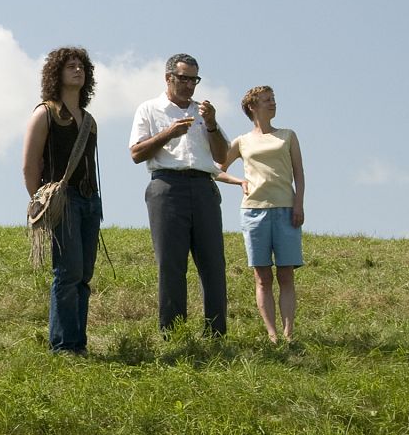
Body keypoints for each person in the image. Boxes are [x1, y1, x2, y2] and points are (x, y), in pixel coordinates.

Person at [128, 53, 230, 336]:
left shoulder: (203, 112)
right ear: (168, 77)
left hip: (204, 187)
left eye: (193, 79)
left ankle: (216, 333)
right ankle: (173, 333)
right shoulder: (149, 109)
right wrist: (168, 134)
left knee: (213, 263)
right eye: (183, 78)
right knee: (171, 263)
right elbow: (136, 153)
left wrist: (211, 124)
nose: (189, 85)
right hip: (167, 187)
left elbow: (222, 157)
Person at [21, 46, 101, 354]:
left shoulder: (89, 121)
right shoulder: (45, 113)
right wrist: (43, 203)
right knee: (67, 274)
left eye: (81, 65)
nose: (77, 70)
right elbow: (29, 165)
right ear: (57, 73)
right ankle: (63, 345)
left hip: (90, 201)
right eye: (70, 66)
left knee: (83, 276)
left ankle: (78, 343)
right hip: (63, 204)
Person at [216, 86, 305, 343]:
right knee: (262, 276)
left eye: (274, 99)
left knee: (286, 273)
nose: (273, 103)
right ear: (252, 106)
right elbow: (216, 168)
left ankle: (289, 333)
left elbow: (299, 173)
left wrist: (298, 204)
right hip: (254, 212)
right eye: (267, 100)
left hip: (286, 210)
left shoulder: (288, 136)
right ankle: (272, 334)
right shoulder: (242, 141)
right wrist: (238, 181)